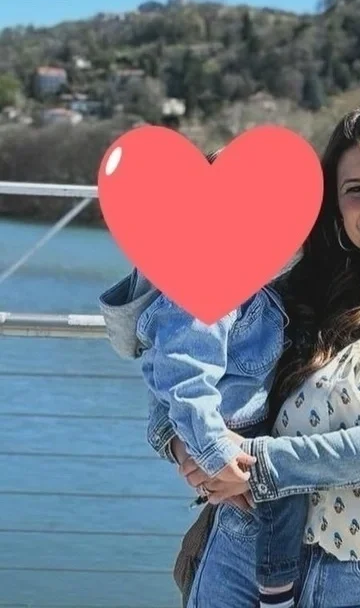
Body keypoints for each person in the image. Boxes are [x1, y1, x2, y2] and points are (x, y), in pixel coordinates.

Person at [103, 104, 360, 608]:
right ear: (336, 207)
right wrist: (183, 444)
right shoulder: (295, 296)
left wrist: (256, 463)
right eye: (356, 189)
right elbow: (177, 354)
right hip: (240, 550)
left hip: (359, 579)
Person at [99, 149, 307, 608]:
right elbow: (184, 379)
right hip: (232, 434)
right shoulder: (203, 289)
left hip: (238, 432)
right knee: (277, 503)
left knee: (278, 505)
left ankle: (277, 590)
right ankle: (277, 593)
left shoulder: (255, 284)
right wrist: (212, 454)